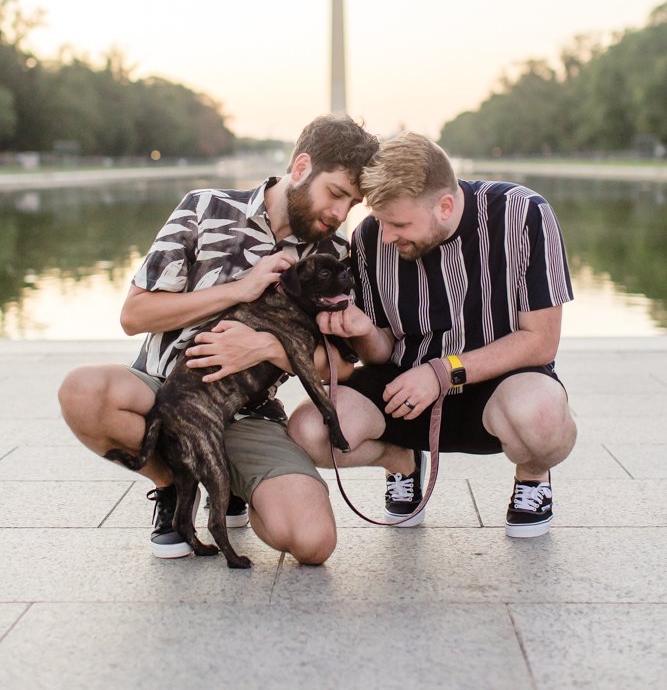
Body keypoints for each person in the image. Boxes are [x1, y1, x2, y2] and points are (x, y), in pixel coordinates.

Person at [58, 114, 379, 564]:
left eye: (353, 204)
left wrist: (269, 348)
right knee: (84, 391)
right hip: (168, 393)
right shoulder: (204, 207)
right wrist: (240, 289)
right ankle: (175, 484)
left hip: (250, 414)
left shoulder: (334, 255)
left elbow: (342, 366)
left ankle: (228, 488)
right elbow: (134, 315)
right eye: (337, 194)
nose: (340, 214)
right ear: (302, 166)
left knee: (312, 541)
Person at [288, 132, 577, 537]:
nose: (386, 235)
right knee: (308, 433)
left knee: (542, 418)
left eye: (399, 223)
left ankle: (532, 477)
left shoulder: (523, 214)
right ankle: (400, 461)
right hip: (403, 387)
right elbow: (381, 352)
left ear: (445, 205)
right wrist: (365, 329)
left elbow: (540, 341)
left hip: (500, 383)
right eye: (381, 220)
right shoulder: (371, 236)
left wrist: (443, 371)